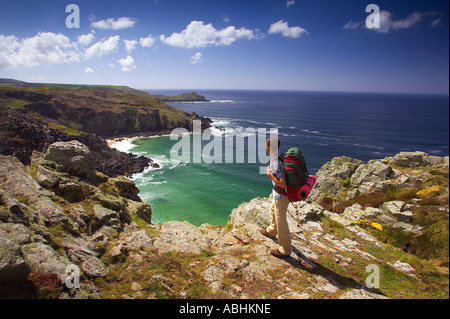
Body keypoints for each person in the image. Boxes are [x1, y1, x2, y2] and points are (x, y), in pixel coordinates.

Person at [260, 137, 291, 258]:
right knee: (273, 210)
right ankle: (271, 231)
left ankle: (285, 250)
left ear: (268, 147)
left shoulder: (275, 162)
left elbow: (282, 183)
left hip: (282, 195)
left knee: (281, 221)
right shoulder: (277, 158)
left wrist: (269, 175)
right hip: (278, 194)